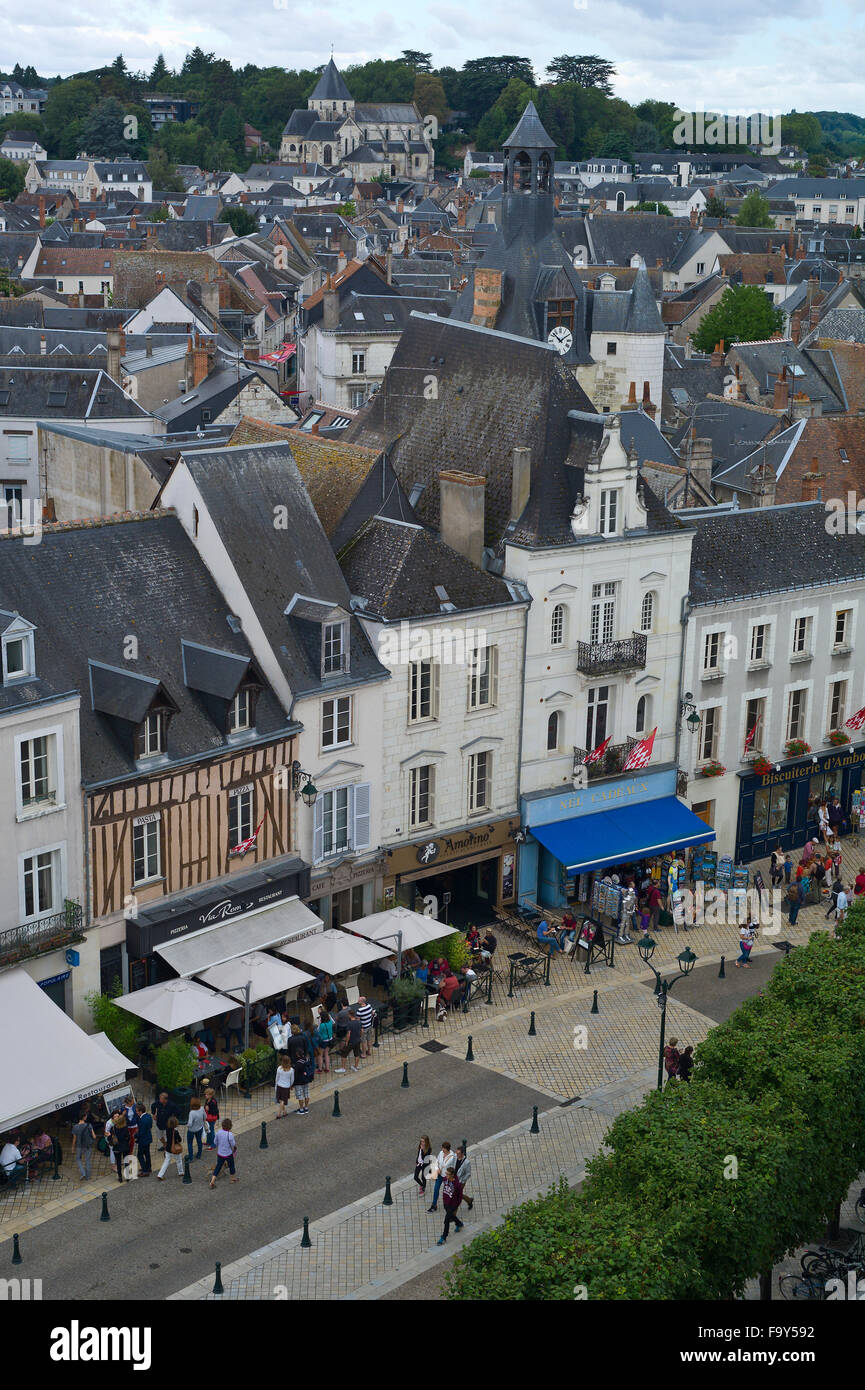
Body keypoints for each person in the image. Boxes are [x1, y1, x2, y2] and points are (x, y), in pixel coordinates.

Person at [437, 1168, 465, 1245]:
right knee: (452, 1216)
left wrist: (456, 1205)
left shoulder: (457, 1185)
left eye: (448, 1174)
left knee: (446, 1221)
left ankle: (443, 1237)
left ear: (452, 1175)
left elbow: (460, 1196)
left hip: (453, 1205)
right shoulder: (446, 1179)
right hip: (446, 1203)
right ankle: (459, 1223)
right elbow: (441, 1178)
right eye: (446, 1174)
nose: (446, 1175)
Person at [428, 1141, 456, 1212]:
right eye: (442, 1148)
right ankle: (434, 1205)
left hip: (447, 1177)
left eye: (444, 1148)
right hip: (440, 1175)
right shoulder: (441, 1153)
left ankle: (452, 1204)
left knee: (449, 1192)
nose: (442, 1149)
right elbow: (437, 1161)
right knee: (436, 1189)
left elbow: (453, 1167)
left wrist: (451, 1176)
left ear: (447, 1149)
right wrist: (437, 1169)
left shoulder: (452, 1157)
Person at [209, 1119, 238, 1188]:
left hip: (220, 1153)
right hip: (228, 1154)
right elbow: (233, 1144)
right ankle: (232, 1178)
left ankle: (212, 1181)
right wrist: (234, 1149)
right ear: (230, 1127)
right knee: (231, 1165)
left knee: (218, 1166)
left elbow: (215, 1142)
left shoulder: (218, 1132)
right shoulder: (230, 1135)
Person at [157, 1115, 184, 1180]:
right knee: (179, 1160)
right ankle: (181, 1172)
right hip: (175, 1148)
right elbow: (179, 1140)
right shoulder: (176, 1132)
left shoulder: (167, 1129)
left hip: (168, 1148)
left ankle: (160, 1174)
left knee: (166, 1161)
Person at [71, 1110, 95, 1181]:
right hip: (88, 1146)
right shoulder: (89, 1125)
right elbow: (94, 1136)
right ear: (84, 1117)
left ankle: (83, 1173)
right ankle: (88, 1177)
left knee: (78, 1159)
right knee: (87, 1160)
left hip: (79, 1146)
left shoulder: (75, 1127)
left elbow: (74, 1139)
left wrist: (72, 1147)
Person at [108, 1111, 128, 1183]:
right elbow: (128, 1137)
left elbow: (109, 1138)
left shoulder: (113, 1129)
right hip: (125, 1147)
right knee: (126, 1161)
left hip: (117, 1148)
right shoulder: (125, 1128)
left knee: (118, 1163)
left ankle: (120, 1177)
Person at [135, 1102, 153, 1176]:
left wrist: (135, 1136)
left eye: (137, 1111)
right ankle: (148, 1167)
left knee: (140, 1155)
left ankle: (145, 1171)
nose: (136, 1113)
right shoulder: (148, 1116)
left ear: (140, 1111)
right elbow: (150, 1126)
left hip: (143, 1140)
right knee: (147, 1153)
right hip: (148, 1138)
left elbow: (141, 1132)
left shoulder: (142, 1120)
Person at [314, 1010, 334, 1074]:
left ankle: (320, 1069)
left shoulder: (322, 1025)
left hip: (324, 1041)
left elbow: (318, 1032)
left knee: (320, 1055)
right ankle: (327, 1068)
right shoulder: (330, 1022)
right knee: (326, 1054)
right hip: (330, 1039)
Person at [455, 1145, 473, 1211]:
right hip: (453, 1180)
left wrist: (462, 1181)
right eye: (456, 1153)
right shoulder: (455, 1158)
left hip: (460, 1182)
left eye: (458, 1153)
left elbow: (468, 1174)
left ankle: (453, 1214)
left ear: (462, 1154)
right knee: (458, 1195)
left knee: (456, 1197)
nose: (457, 1154)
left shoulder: (466, 1162)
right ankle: (469, 1200)